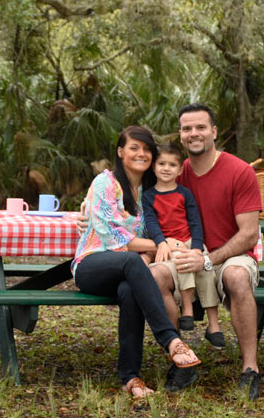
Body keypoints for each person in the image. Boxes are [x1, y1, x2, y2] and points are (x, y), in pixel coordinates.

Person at [73, 126, 201, 398]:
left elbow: (153, 229)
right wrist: (161, 244)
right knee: (133, 262)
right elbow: (114, 238)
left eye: (146, 149)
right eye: (134, 148)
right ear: (120, 152)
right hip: (92, 265)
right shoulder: (105, 183)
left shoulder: (150, 190)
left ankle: (130, 377)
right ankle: (172, 342)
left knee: (130, 289)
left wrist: (160, 245)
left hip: (130, 269)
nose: (141, 153)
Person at [151, 103, 264, 399]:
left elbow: (249, 233)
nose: (194, 133)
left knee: (238, 277)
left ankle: (250, 369)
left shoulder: (239, 171)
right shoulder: (173, 173)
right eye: (187, 128)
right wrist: (88, 205)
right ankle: (181, 360)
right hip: (184, 255)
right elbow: (130, 196)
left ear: (213, 132)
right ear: (180, 134)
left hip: (227, 256)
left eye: (201, 127)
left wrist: (208, 259)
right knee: (154, 277)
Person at [141, 143, 224, 348]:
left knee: (206, 270)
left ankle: (214, 324)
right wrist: (160, 243)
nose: (166, 168)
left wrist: (197, 247)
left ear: (180, 170)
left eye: (172, 164)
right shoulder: (149, 196)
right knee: (182, 260)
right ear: (154, 167)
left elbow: (195, 221)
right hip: (169, 244)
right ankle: (186, 309)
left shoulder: (185, 193)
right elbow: (151, 223)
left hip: (190, 241)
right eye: (161, 163)